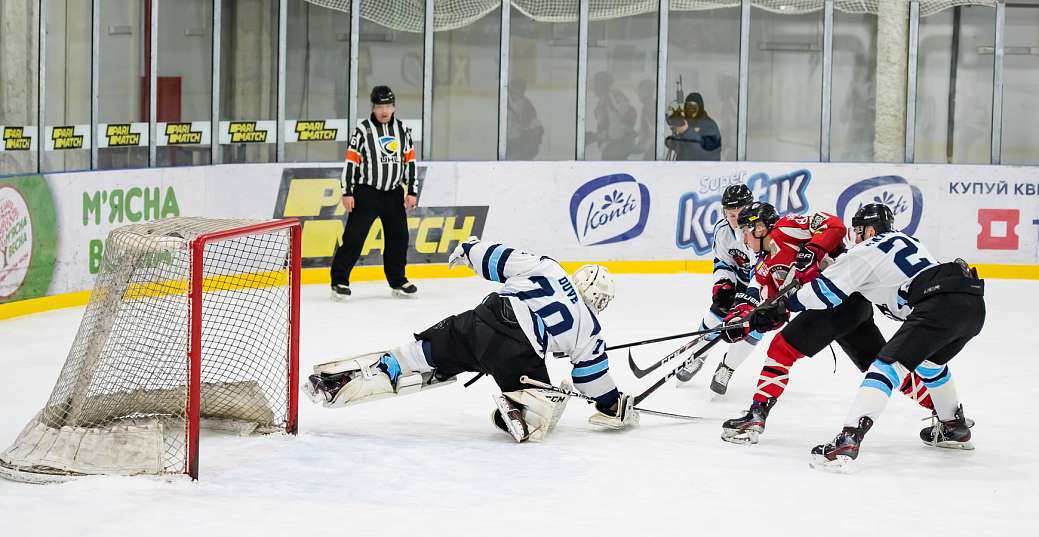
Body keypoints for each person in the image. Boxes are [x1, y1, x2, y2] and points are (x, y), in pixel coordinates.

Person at [305, 237, 639, 442]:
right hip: (518, 353)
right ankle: (521, 409)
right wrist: (613, 404)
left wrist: (469, 249)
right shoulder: (589, 327)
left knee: (425, 352)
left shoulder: (550, 268)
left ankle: (382, 367)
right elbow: (590, 375)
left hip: (483, 319)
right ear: (597, 298)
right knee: (544, 411)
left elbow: (499, 258)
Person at [750, 204, 984, 470]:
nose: (854, 238)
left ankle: (849, 438)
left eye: (858, 231)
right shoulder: (909, 240)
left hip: (938, 304)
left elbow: (826, 293)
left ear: (870, 230)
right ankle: (953, 426)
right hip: (972, 302)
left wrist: (785, 304)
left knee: (886, 367)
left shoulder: (865, 251)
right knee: (931, 365)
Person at [717, 202, 936, 445]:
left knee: (780, 350)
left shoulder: (786, 228)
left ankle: (755, 417)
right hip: (851, 307)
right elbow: (760, 305)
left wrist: (814, 247)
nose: (744, 240)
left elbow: (835, 226)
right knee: (882, 366)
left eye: (746, 231)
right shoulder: (762, 268)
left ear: (759, 228)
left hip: (839, 299)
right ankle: (945, 413)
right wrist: (741, 323)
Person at [329, 85, 419, 299]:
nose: (384, 110)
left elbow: (410, 161)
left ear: (394, 107)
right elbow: (351, 162)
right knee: (354, 237)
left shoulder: (402, 130)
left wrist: (412, 190)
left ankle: (398, 280)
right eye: (380, 106)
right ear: (373, 107)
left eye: (388, 105)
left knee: (399, 237)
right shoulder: (362, 130)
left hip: (393, 193)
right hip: (366, 192)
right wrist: (347, 191)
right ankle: (339, 280)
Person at [674, 184, 762, 396]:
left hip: (761, 285)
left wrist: (749, 297)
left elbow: (762, 270)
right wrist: (724, 285)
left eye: (738, 213)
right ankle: (698, 356)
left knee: (755, 326)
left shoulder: (760, 230)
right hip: (740, 281)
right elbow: (723, 262)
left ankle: (727, 367)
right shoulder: (723, 230)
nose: (733, 219)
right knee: (715, 315)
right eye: (729, 214)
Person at [664, 92, 722, 161]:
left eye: (693, 107)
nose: (690, 110)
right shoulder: (686, 123)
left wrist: (686, 131)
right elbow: (682, 148)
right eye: (688, 107)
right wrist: (672, 139)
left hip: (703, 170)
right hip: (684, 169)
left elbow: (703, 150)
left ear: (700, 108)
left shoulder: (710, 125)